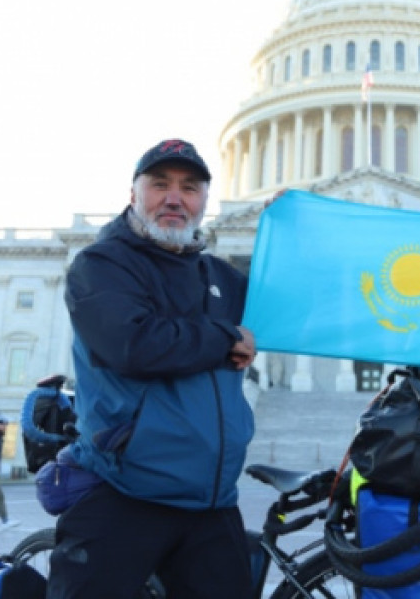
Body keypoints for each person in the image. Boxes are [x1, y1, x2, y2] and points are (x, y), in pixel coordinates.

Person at [48, 138, 258, 599]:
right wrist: (226, 338)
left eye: (189, 188)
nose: (174, 198)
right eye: (159, 184)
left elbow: (300, 303)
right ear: (133, 194)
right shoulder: (101, 265)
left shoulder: (222, 277)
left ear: (203, 201)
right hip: (124, 491)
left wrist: (293, 229)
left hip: (212, 502)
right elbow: (133, 344)